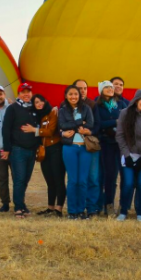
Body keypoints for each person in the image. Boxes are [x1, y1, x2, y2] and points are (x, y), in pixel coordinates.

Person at [115, 89, 141, 221]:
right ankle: (123, 210)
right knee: (127, 183)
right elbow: (120, 136)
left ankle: (140, 212)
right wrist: (126, 155)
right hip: (127, 155)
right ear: (136, 100)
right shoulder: (124, 113)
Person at [2, 82, 40, 219]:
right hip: (17, 149)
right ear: (18, 94)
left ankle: (21, 203)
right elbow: (5, 129)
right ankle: (18, 207)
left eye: (28, 92)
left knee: (25, 179)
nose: (26, 94)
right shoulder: (12, 108)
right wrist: (7, 149)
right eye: (23, 92)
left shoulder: (36, 108)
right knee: (19, 179)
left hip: (32, 150)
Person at [59, 85, 96, 220]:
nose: (73, 97)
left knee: (83, 181)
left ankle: (81, 210)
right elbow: (62, 125)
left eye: (76, 94)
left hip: (85, 148)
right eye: (70, 94)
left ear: (79, 95)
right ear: (66, 96)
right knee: (73, 180)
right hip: (70, 148)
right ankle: (72, 211)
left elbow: (91, 124)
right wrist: (80, 122)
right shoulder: (62, 110)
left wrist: (74, 125)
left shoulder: (86, 108)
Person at [25, 94, 65, 217]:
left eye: (41, 101)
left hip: (55, 148)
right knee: (49, 180)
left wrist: (34, 130)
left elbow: (51, 131)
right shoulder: (36, 116)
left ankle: (59, 208)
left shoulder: (53, 112)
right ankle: (50, 207)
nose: (39, 104)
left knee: (58, 179)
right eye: (36, 102)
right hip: (44, 150)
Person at [95, 80, 125, 215]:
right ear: (101, 90)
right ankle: (104, 204)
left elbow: (126, 120)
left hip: (119, 143)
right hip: (105, 143)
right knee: (106, 175)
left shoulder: (120, 104)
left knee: (118, 175)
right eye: (106, 87)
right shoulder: (97, 105)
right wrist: (115, 122)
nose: (110, 89)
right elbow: (98, 124)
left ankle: (116, 205)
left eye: (111, 87)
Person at [74, 79, 102, 215]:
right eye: (79, 88)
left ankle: (92, 208)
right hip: (73, 147)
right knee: (77, 179)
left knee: (93, 178)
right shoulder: (65, 105)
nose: (82, 91)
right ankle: (78, 207)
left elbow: (97, 125)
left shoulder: (93, 105)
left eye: (85, 88)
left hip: (90, 146)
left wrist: (88, 130)